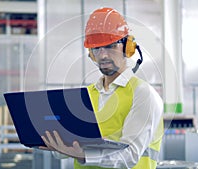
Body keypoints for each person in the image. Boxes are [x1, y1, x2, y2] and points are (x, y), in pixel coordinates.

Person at [39, 7, 164, 169]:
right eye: (96, 48)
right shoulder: (87, 95)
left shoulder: (142, 93)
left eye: (111, 46)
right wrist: (58, 146)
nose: (103, 55)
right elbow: (75, 147)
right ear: (91, 53)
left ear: (127, 47)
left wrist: (84, 155)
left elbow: (130, 156)